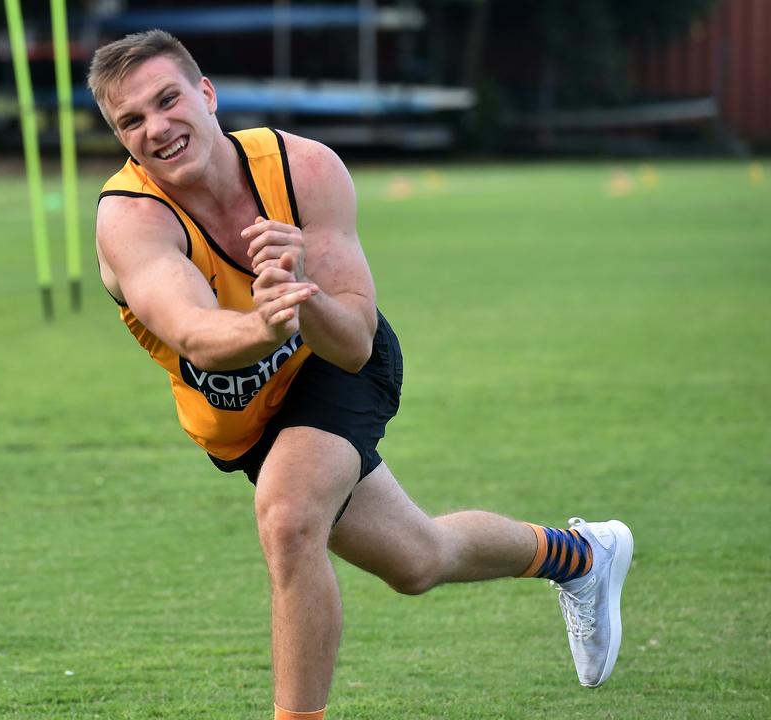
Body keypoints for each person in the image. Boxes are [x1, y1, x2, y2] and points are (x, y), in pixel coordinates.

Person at [88, 30, 634, 720]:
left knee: (288, 519)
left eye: (167, 100)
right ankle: (580, 556)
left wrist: (301, 287)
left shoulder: (304, 169)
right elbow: (196, 335)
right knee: (418, 560)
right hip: (247, 415)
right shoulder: (130, 218)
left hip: (334, 363)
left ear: (206, 94)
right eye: (130, 121)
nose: (156, 128)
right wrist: (267, 320)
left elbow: (352, 342)